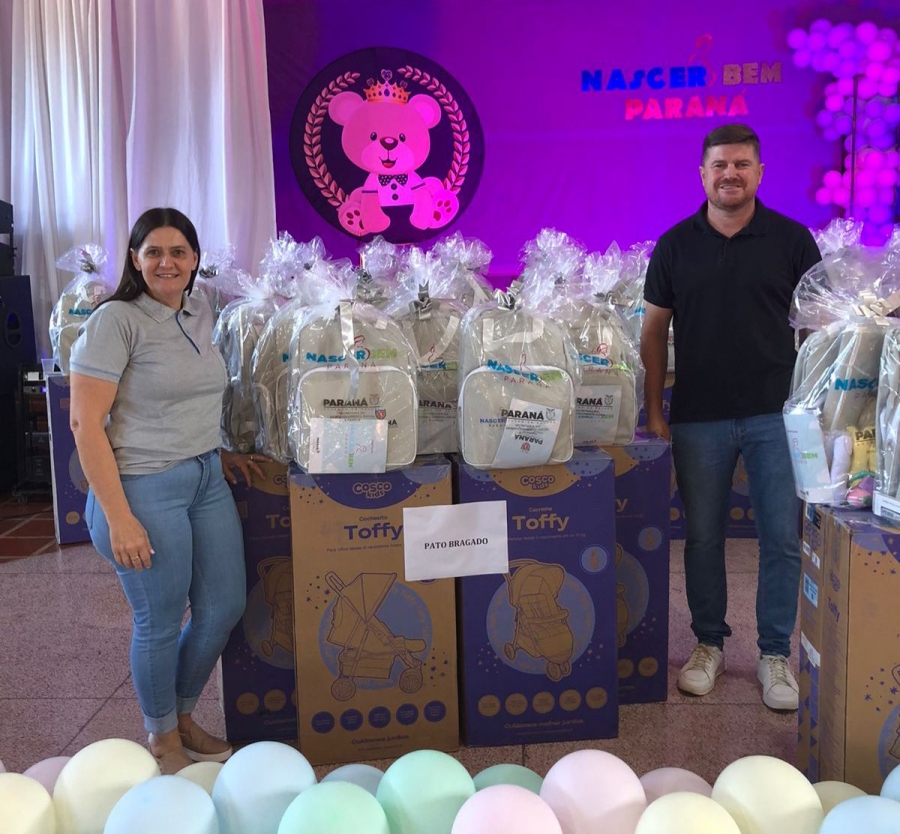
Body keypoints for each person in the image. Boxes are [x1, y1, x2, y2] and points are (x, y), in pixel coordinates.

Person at [69, 207, 264, 773]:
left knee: (223, 605)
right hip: (141, 486)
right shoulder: (116, 321)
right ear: (135, 260)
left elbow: (190, 397)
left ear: (195, 259)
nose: (166, 262)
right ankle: (162, 738)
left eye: (178, 251)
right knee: (159, 620)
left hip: (204, 477)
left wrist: (216, 450)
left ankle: (179, 713)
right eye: (153, 251)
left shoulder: (199, 311)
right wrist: (119, 517)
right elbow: (85, 424)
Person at [641, 124, 821, 711]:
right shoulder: (674, 245)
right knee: (701, 538)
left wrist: (814, 408)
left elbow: (816, 333)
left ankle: (774, 654)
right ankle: (708, 644)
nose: (730, 174)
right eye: (719, 165)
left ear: (759, 173)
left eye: (742, 164)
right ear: (702, 174)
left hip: (777, 415)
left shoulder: (793, 241)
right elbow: (653, 330)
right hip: (699, 417)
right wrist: (654, 408)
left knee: (781, 539)